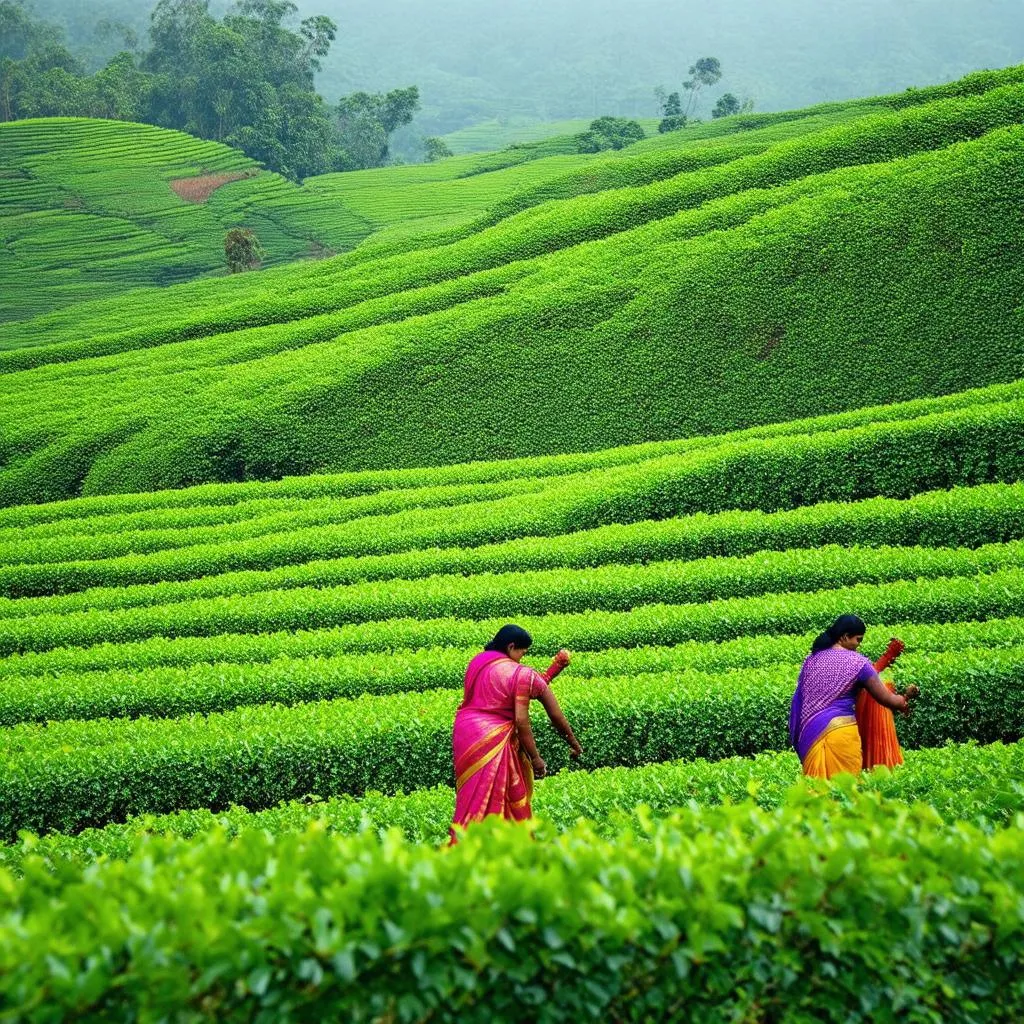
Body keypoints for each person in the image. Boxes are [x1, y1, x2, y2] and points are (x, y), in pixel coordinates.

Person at [450, 624, 582, 840]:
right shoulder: (522, 675)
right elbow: (529, 719)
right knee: (496, 795)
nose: (522, 657)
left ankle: (467, 839)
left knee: (472, 796)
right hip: (492, 738)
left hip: (466, 732)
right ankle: (500, 841)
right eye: (522, 652)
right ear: (511, 647)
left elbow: (507, 690)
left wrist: (551, 671)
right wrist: (538, 757)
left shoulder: (479, 661)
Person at [789, 614, 910, 779]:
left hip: (809, 735)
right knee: (844, 794)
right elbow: (887, 699)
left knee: (816, 793)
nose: (858, 645)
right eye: (858, 640)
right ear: (845, 637)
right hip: (841, 735)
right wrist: (905, 699)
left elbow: (799, 700)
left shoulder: (811, 660)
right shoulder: (858, 663)